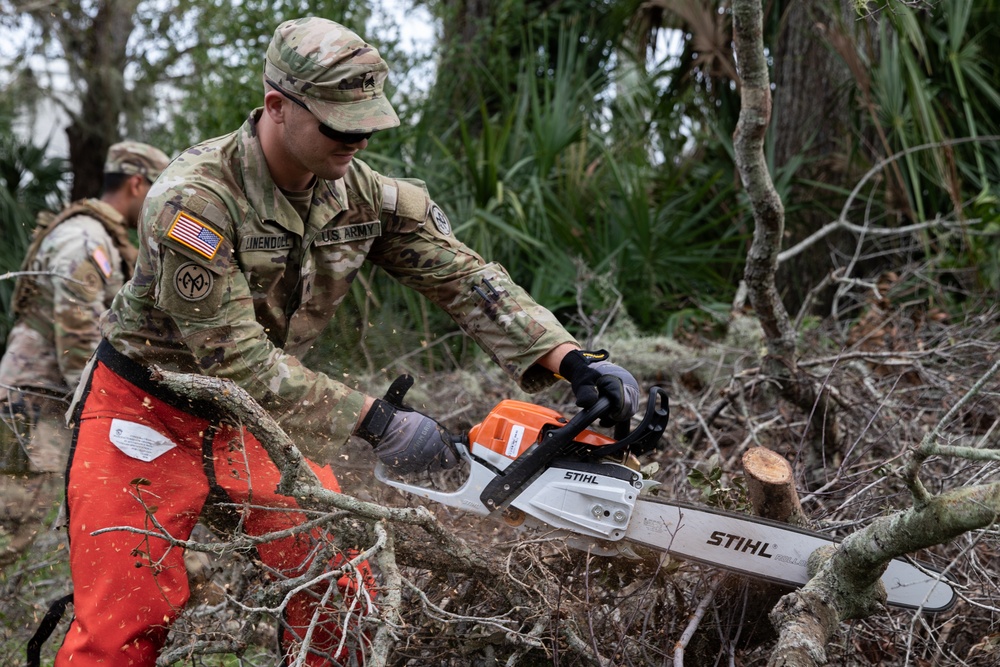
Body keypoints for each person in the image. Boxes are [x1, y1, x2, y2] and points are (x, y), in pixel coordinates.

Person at [54, 17, 641, 666]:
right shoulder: (195, 201)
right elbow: (237, 359)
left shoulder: (357, 191)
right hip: (148, 408)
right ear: (277, 105)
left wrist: (571, 359)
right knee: (119, 627)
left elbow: (463, 276)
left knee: (343, 591)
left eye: (367, 121)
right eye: (339, 122)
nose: (357, 137)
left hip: (261, 418)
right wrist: (380, 422)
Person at [0, 142, 170, 567]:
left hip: (49, 398)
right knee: (10, 523)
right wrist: (108, 409)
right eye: (159, 193)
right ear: (136, 184)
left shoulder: (99, 236)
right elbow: (78, 336)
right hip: (35, 401)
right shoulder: (85, 240)